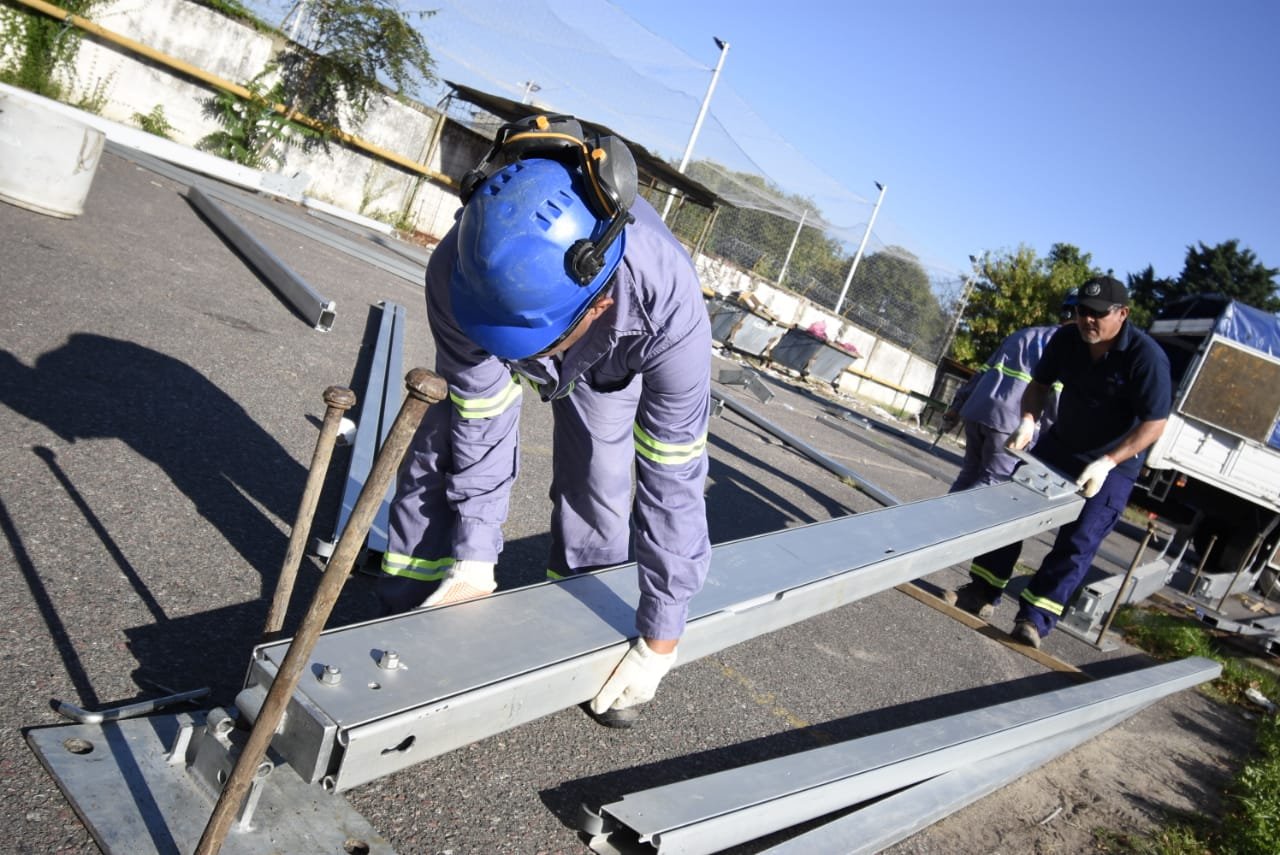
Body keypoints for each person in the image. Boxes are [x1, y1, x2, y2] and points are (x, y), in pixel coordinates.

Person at [376, 114, 712, 727]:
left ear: (599, 303)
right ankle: (409, 608)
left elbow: (674, 476)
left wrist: (663, 635)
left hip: (611, 359)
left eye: (535, 344)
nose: (521, 363)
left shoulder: (670, 310)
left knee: (599, 483)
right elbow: (481, 416)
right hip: (519, 321)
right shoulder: (459, 271)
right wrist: (475, 558)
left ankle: (578, 632)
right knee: (442, 446)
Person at [943, 276, 1171, 647]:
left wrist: (1108, 462)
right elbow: (1039, 385)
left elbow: (1154, 423)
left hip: (1112, 464)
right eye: (1083, 311)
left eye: (1098, 314)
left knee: (1078, 541)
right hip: (1061, 445)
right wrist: (1028, 420)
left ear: (1123, 314)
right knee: (1011, 511)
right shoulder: (1067, 339)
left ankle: (1034, 619)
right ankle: (982, 591)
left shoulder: (1145, 357)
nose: (1088, 320)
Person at [940, 290, 1078, 491]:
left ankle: (945, 511)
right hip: (1010, 421)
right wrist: (1049, 440)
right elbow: (1056, 396)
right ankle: (960, 513)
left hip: (977, 409)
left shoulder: (1024, 334)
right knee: (993, 482)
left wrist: (956, 407)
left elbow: (982, 372)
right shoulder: (1068, 347)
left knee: (969, 472)